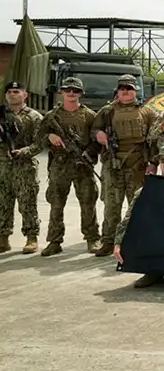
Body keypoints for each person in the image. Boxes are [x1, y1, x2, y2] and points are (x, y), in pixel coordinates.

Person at [92, 74, 159, 257]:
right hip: (113, 164)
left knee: (137, 205)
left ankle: (137, 241)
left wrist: (153, 163)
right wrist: (98, 134)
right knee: (111, 205)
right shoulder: (107, 111)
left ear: (136, 91)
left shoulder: (147, 112)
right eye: (122, 88)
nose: (125, 91)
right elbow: (94, 129)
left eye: (129, 88)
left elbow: (155, 140)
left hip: (138, 165)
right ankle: (108, 241)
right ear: (117, 91)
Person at [112, 145, 164, 288]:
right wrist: (118, 243)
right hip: (158, 233)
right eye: (163, 160)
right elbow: (129, 217)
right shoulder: (150, 187)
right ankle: (153, 271)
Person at [36, 77, 101, 256]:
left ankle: (92, 238)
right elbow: (38, 139)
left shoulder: (90, 115)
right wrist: (49, 137)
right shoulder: (51, 116)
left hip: (83, 166)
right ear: (61, 92)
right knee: (56, 204)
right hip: (60, 165)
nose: (71, 93)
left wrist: (88, 154)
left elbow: (97, 140)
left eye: (76, 90)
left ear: (81, 93)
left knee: (88, 202)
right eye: (68, 90)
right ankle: (54, 241)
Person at [0, 81, 43, 253]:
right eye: (9, 92)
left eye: (16, 91)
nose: (12, 94)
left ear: (25, 95)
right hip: (3, 165)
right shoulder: (1, 114)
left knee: (28, 203)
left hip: (25, 166)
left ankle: (31, 237)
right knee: (3, 202)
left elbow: (40, 143)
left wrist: (23, 151)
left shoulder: (34, 117)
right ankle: (3, 237)